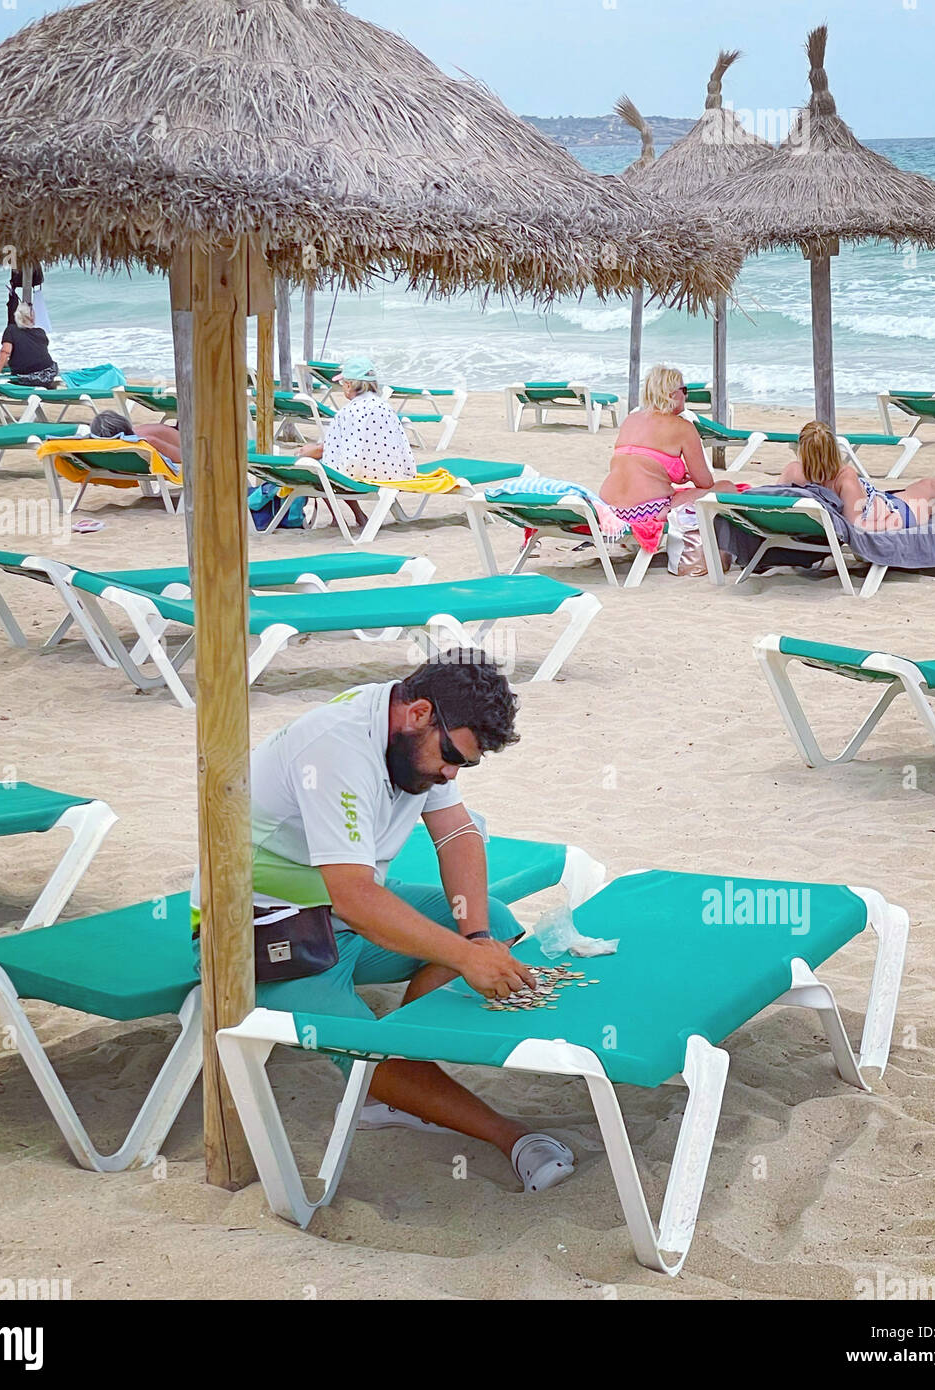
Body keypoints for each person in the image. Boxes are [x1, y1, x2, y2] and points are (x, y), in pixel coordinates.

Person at [191, 656, 577, 1194]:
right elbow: (355, 898)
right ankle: (508, 1135)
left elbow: (456, 834)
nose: (450, 774)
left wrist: (478, 938)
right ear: (418, 713)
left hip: (341, 906)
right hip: (260, 926)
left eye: (465, 765)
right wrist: (466, 958)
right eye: (451, 758)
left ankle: (390, 1080)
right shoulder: (337, 749)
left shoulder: (410, 725)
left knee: (499, 923)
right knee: (359, 1041)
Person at [599, 363, 733, 555]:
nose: (686, 396)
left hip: (610, 508)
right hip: (647, 510)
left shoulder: (631, 420)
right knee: (726, 487)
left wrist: (673, 475)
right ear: (671, 394)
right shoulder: (683, 427)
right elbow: (705, 482)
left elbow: (641, 464)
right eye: (684, 390)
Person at [778, 420, 935, 530]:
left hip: (880, 503)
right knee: (927, 494)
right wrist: (893, 523)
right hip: (892, 512)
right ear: (833, 449)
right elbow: (858, 526)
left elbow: (774, 498)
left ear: (802, 449)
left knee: (922, 488)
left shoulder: (792, 471)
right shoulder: (844, 476)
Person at [296, 354, 417, 529]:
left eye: (343, 383)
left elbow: (331, 451)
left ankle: (339, 518)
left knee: (316, 467)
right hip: (393, 472)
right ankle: (358, 516)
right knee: (332, 463)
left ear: (349, 385)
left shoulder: (348, 412)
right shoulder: (385, 406)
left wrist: (305, 453)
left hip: (362, 476)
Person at [0, 300, 58, 387]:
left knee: (14, 362)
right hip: (48, 374)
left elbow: (5, 352)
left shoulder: (11, 330)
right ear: (31, 317)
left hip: (27, 377)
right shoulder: (41, 332)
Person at [89, 410, 182, 469]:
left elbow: (185, 457)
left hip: (184, 436)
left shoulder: (148, 441)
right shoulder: (137, 443)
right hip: (172, 435)